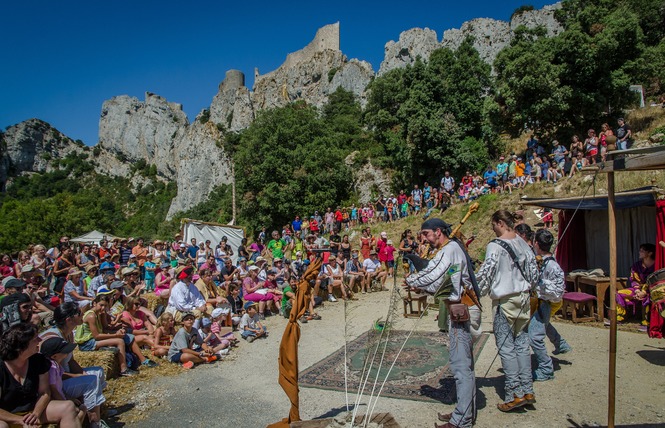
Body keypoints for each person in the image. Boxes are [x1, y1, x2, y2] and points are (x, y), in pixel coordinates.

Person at [403, 218, 480, 428]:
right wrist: (420, 284)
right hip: (460, 308)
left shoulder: (450, 249)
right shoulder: (450, 248)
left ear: (438, 231)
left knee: (461, 366)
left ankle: (461, 420)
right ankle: (463, 412)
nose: (426, 240)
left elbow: (436, 275)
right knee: (464, 366)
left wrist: (412, 281)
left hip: (462, 309)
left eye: (427, 235)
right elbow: (439, 277)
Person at [477, 210, 539, 412]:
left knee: (506, 347)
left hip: (505, 300)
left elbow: (487, 273)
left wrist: (477, 290)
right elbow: (533, 272)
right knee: (521, 344)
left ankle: (515, 394)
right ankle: (528, 390)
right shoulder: (522, 242)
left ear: (500, 223)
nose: (492, 229)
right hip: (523, 298)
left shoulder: (495, 246)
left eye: (493, 224)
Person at [0, 323, 82, 427]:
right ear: (22, 346)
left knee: (68, 407)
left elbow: (45, 392)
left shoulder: (39, 361)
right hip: (7, 416)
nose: (40, 340)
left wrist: (35, 414)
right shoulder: (1, 367)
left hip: (32, 411)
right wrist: (19, 420)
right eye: (35, 338)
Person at [529, 229, 569, 382]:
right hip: (536, 301)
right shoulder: (538, 260)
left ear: (536, 243)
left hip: (544, 303)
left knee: (535, 337)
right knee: (541, 327)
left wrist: (539, 284)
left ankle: (546, 369)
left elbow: (558, 292)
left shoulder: (553, 266)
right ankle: (561, 344)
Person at [617, 243, 655, 324]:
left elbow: (655, 281)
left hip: (650, 291)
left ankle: (646, 321)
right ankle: (621, 316)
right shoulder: (636, 265)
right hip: (637, 289)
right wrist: (637, 291)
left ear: (650, 253)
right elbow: (634, 279)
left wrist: (644, 292)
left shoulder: (656, 266)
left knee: (649, 298)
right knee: (619, 293)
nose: (639, 252)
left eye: (642, 251)